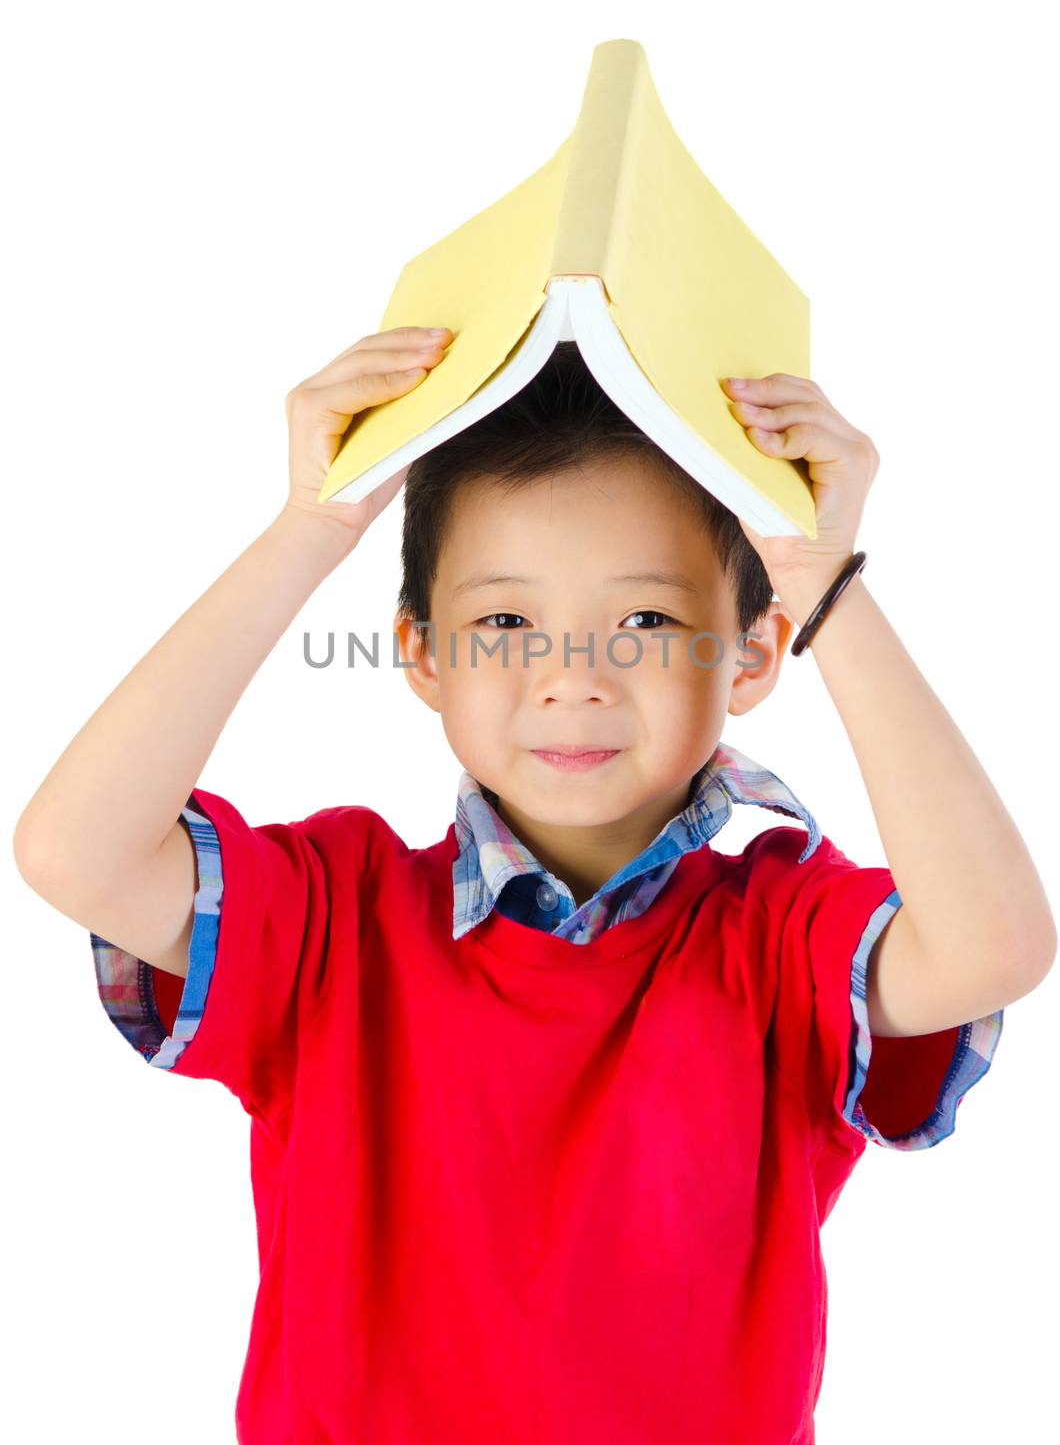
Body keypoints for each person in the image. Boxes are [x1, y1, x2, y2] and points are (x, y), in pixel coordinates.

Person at [13, 326, 1055, 1443]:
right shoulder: (332, 918)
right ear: (421, 652)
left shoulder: (783, 934)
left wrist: (821, 582)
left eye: (646, 621)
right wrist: (310, 527)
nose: (571, 679)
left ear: (749, 655)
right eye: (505, 622)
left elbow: (991, 946)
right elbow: (77, 850)